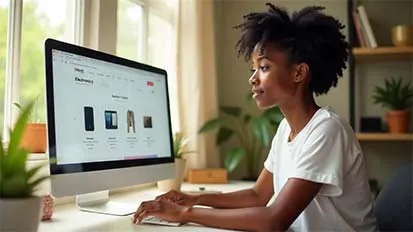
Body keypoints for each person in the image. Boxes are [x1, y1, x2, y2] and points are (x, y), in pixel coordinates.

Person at [133, 3, 378, 231]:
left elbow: (274, 220)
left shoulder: (327, 129)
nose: (253, 79)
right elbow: (257, 195)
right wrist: (195, 198)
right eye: (254, 70)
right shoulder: (286, 129)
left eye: (264, 68)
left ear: (299, 73)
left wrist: (186, 213)